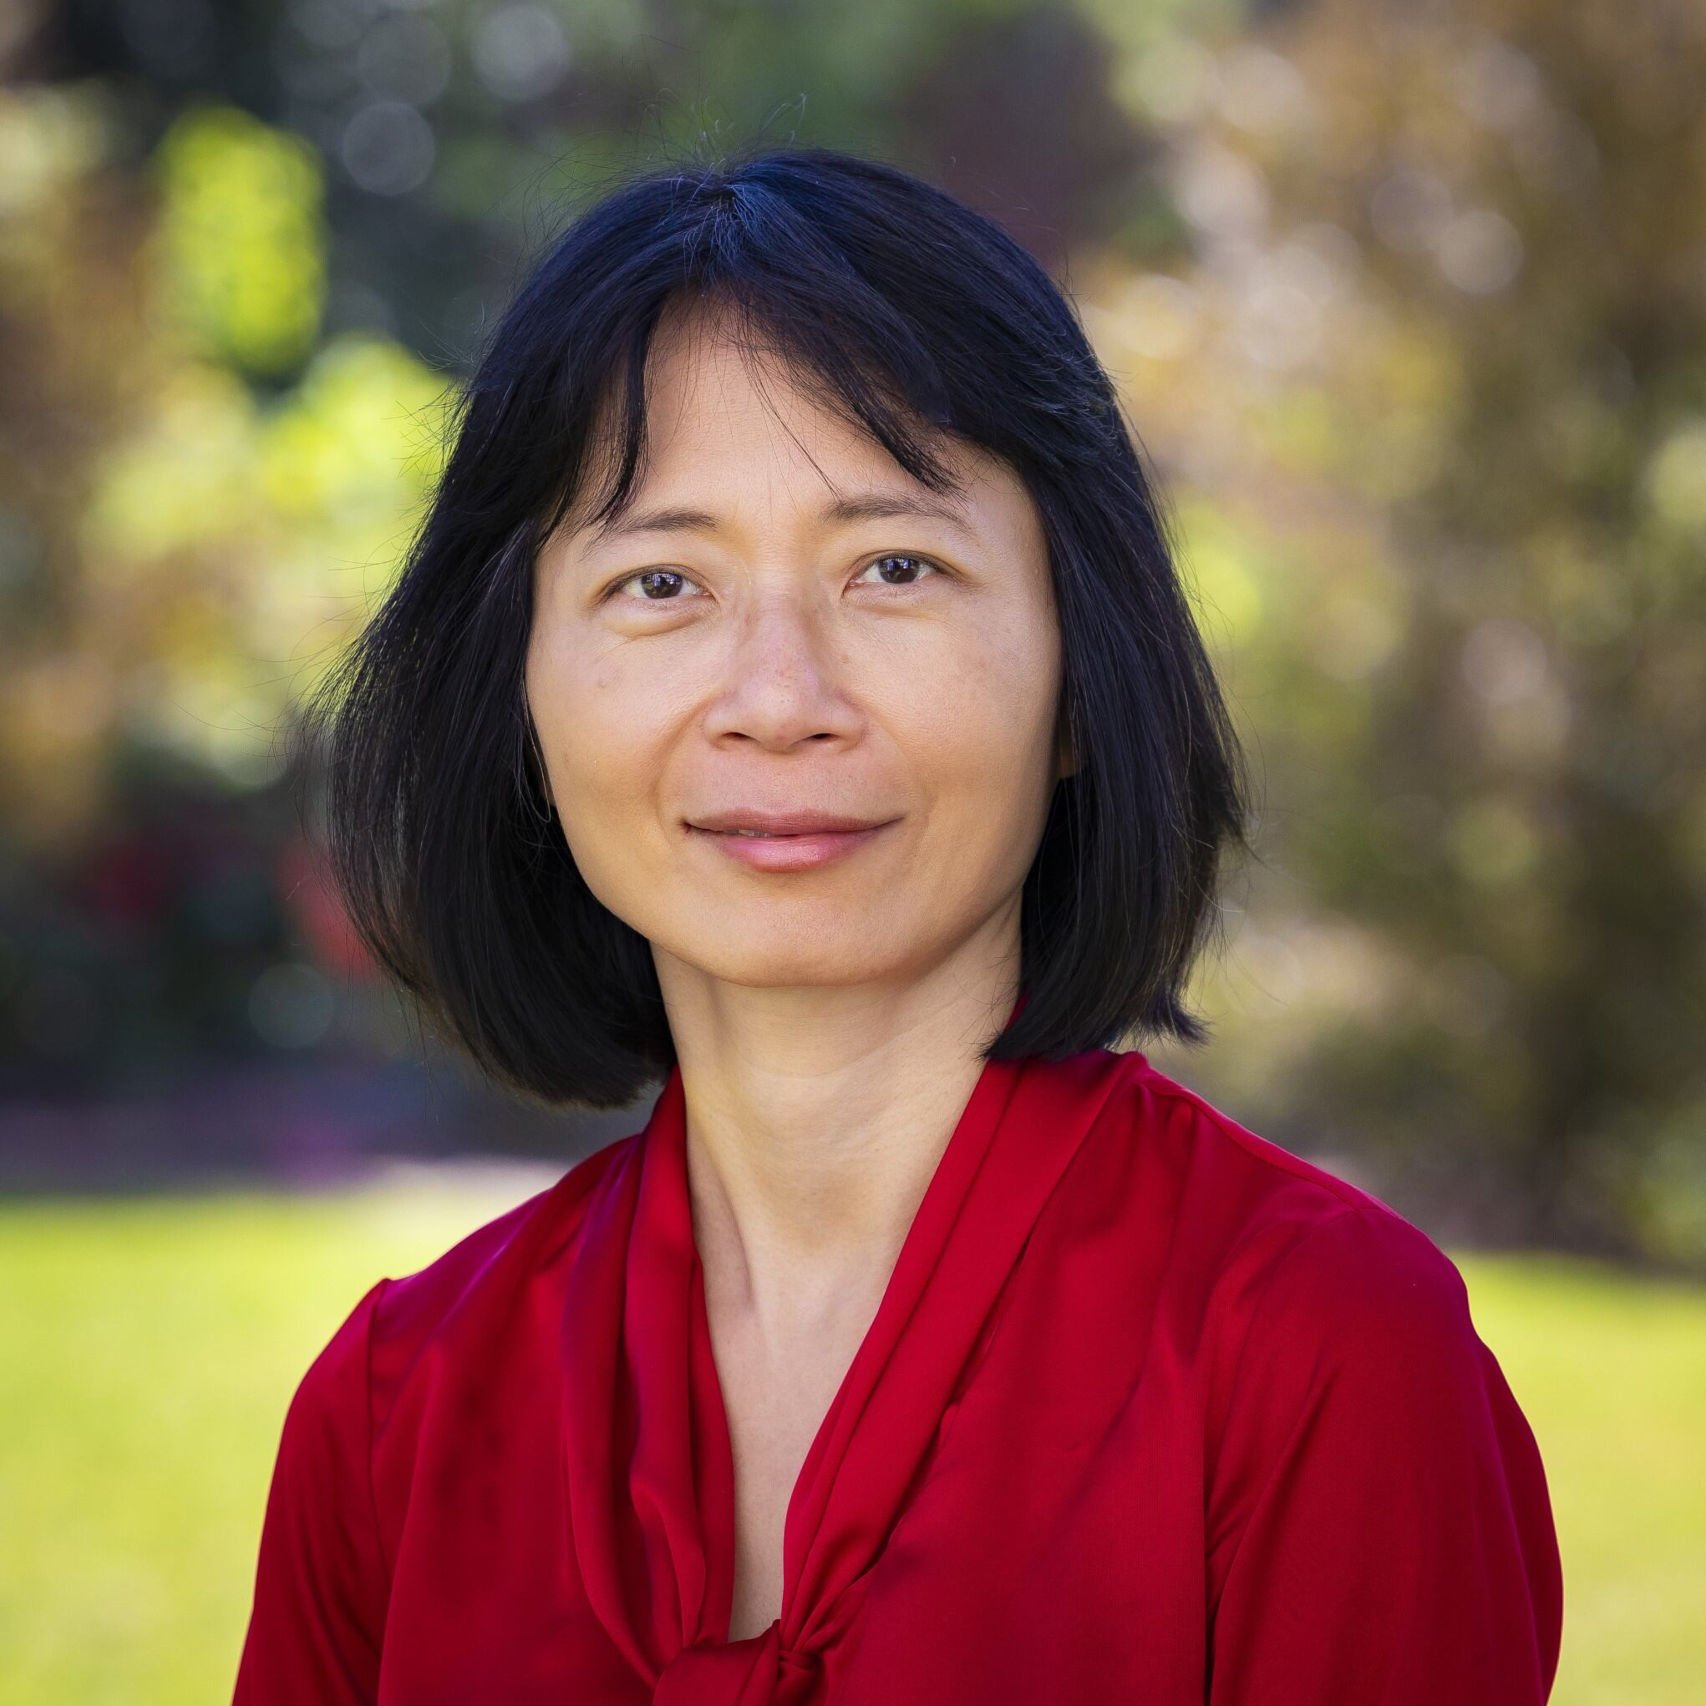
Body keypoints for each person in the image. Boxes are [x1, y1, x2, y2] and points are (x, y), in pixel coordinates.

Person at [233, 144, 1563, 1704]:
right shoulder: (395, 1415)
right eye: (662, 579)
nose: (778, 701)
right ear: (515, 692)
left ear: (1080, 671)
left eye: (895, 566)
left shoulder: (1319, 1360)